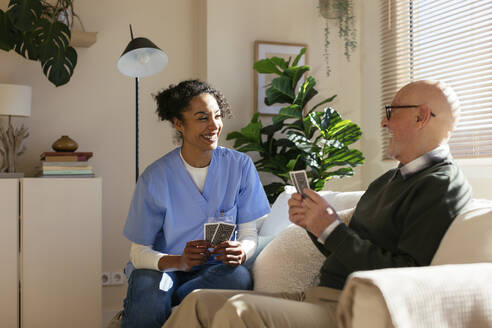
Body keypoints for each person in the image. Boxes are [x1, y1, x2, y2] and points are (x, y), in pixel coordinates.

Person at [162, 80, 472, 328]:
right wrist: (316, 225)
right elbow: (346, 247)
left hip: (353, 313)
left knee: (238, 311)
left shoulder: (440, 185)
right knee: (199, 301)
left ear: (420, 116)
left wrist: (332, 228)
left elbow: (406, 274)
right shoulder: (387, 181)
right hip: (317, 299)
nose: (383, 120)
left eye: (392, 111)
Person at [120, 80, 270, 328]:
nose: (214, 126)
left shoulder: (240, 166)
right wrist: (178, 261)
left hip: (213, 271)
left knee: (239, 277)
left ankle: (174, 300)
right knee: (148, 289)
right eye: (202, 118)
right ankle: (168, 298)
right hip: (164, 268)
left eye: (218, 116)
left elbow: (248, 233)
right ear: (179, 124)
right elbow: (138, 253)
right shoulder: (155, 177)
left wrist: (242, 249)